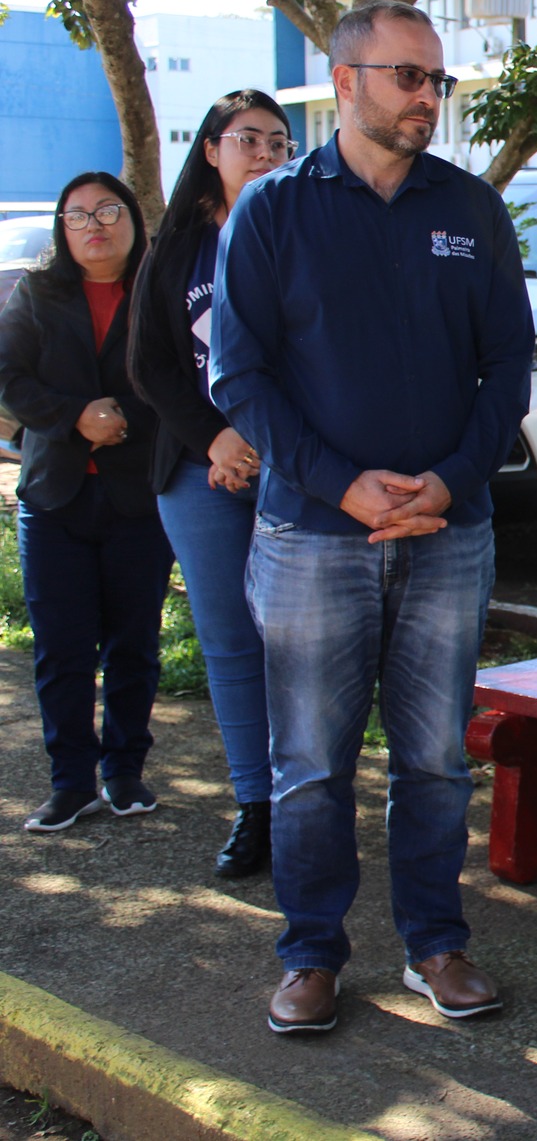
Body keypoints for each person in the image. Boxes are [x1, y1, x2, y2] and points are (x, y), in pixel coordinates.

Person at [211, 0, 533, 1035]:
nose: (428, 97)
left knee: (434, 758)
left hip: (447, 532)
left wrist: (451, 480)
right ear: (345, 82)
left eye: (438, 80)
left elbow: (507, 367)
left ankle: (435, 944)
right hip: (312, 536)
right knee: (310, 765)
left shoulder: (471, 209)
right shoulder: (273, 210)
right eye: (408, 76)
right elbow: (240, 374)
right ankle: (310, 954)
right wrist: (339, 484)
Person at [128, 90, 293, 879]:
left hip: (295, 469)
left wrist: (265, 439)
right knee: (231, 643)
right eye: (248, 139)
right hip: (200, 471)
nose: (265, 154)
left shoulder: (306, 234)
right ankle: (256, 805)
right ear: (212, 150)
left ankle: (305, 801)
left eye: (279, 142)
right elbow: (150, 364)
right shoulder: (176, 248)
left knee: (301, 641)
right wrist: (217, 438)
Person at [0, 173, 174, 833]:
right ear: (62, 228)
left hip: (138, 495)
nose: (94, 225)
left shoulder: (159, 292)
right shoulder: (36, 293)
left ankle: (124, 771)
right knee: (62, 648)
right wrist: (75, 416)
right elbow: (8, 376)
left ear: (132, 218)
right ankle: (70, 782)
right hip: (55, 497)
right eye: (78, 215)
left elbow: (185, 382)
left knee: (134, 643)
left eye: (107, 210)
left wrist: (120, 419)